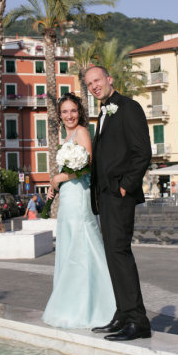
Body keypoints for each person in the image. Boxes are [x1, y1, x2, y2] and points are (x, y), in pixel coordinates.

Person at [85, 66, 152, 341]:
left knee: (120, 253)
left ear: (109, 80)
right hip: (105, 197)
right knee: (113, 255)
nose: (94, 86)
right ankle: (123, 313)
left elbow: (142, 153)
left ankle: (138, 320)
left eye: (97, 80)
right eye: (89, 84)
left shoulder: (129, 107)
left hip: (119, 195)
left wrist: (126, 185)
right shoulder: (103, 112)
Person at [42, 93, 116, 329]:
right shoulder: (67, 135)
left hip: (79, 197)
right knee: (70, 244)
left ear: (79, 111)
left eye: (73, 110)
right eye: (64, 111)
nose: (69, 115)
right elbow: (71, 168)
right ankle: (71, 304)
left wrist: (58, 177)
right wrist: (57, 185)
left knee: (82, 245)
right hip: (68, 196)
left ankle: (96, 307)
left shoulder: (82, 131)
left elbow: (87, 166)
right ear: (60, 115)